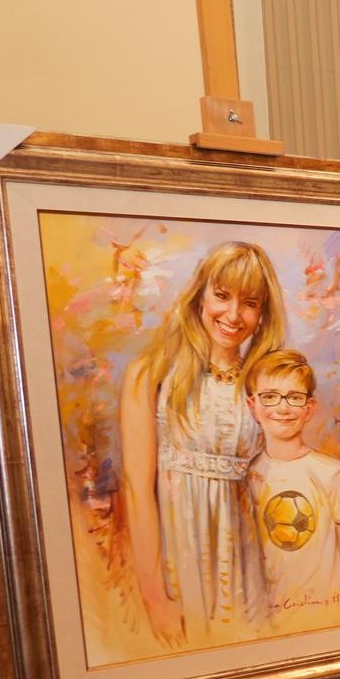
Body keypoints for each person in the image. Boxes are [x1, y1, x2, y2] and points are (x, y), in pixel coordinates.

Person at [119, 240, 289, 647]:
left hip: (250, 565)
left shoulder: (264, 383)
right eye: (222, 296)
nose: (233, 315)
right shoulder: (152, 373)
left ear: (262, 312)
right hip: (179, 560)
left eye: (249, 302)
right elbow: (136, 489)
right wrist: (155, 597)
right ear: (200, 296)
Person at [244, 349, 340, 632]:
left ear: (309, 408)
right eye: (270, 396)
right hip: (265, 628)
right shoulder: (245, 477)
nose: (283, 408)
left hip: (327, 623)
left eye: (294, 397)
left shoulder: (334, 474)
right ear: (252, 406)